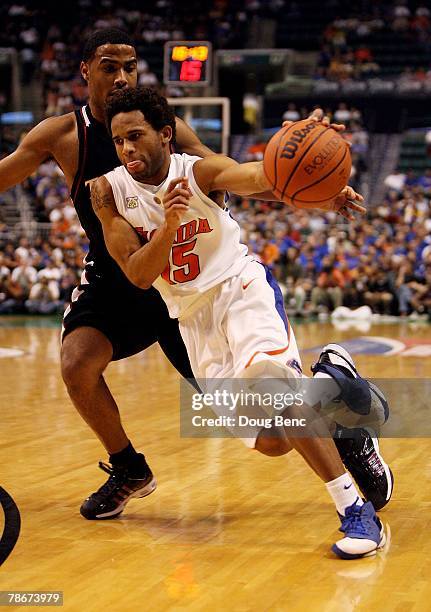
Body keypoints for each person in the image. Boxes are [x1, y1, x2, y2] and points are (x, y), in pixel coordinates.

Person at [0, 28, 392, 523]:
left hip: (192, 287)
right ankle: (128, 468)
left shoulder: (169, 130)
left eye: (129, 67)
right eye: (108, 67)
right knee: (77, 363)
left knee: (273, 419)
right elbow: (6, 173)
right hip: (122, 277)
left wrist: (307, 188)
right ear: (85, 72)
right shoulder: (61, 137)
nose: (121, 77)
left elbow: (235, 177)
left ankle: (339, 414)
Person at [92, 86, 390, 559]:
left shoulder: (201, 173)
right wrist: (168, 225)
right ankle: (333, 384)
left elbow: (259, 175)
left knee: (278, 391)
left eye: (136, 136)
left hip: (240, 293)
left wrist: (311, 164)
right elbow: (139, 275)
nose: (127, 148)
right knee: (272, 442)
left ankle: (355, 510)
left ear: (166, 135)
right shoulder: (107, 193)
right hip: (192, 322)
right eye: (118, 140)